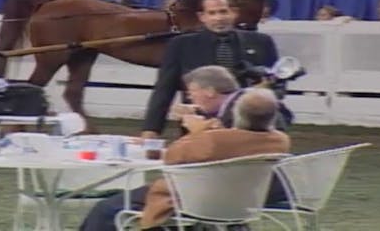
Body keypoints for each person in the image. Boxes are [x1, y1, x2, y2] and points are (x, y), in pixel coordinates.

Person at [79, 87, 291, 231]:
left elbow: (172, 158)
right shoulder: (280, 141)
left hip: (197, 199)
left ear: (237, 114)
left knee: (107, 208)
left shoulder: (213, 140)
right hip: (243, 202)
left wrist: (196, 131)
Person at [142, 0, 279, 139]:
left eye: (223, 12)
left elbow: (277, 85)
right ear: (202, 17)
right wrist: (151, 130)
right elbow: (164, 90)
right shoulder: (182, 45)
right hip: (198, 130)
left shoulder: (261, 42)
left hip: (251, 129)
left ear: (234, 12)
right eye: (212, 13)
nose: (219, 18)